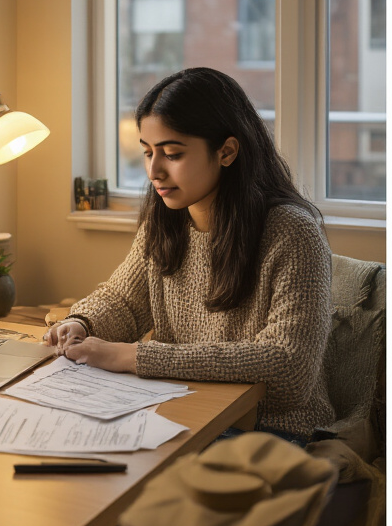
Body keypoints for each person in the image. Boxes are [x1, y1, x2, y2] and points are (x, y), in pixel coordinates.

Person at [43, 67, 334, 443]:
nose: (154, 171)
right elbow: (122, 301)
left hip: (272, 430)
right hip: (185, 409)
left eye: (172, 153)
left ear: (226, 151)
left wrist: (135, 357)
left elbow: (288, 369)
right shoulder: (166, 223)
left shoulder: (292, 233)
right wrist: (83, 323)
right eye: (148, 153)